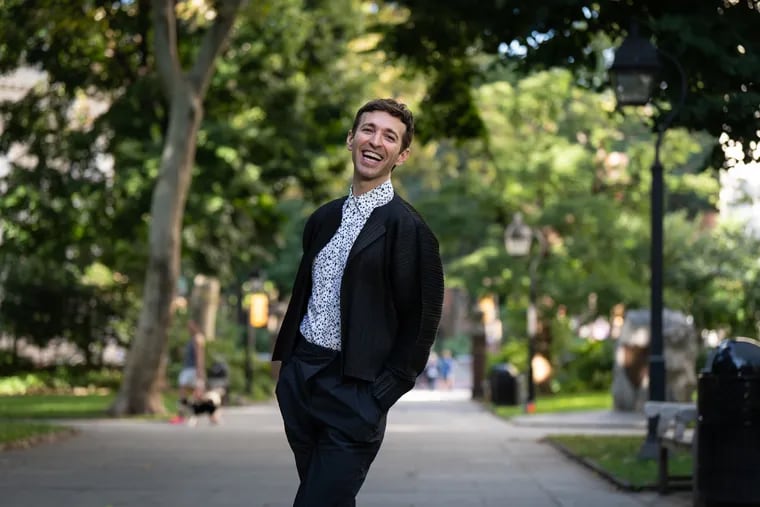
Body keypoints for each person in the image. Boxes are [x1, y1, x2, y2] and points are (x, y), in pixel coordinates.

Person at [271, 98, 445, 506]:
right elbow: (305, 295)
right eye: (368, 130)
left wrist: (380, 395)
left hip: (355, 394)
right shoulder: (323, 218)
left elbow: (422, 322)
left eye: (389, 136)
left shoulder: (410, 230)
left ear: (401, 155)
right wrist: (288, 369)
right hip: (302, 383)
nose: (375, 141)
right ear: (351, 139)